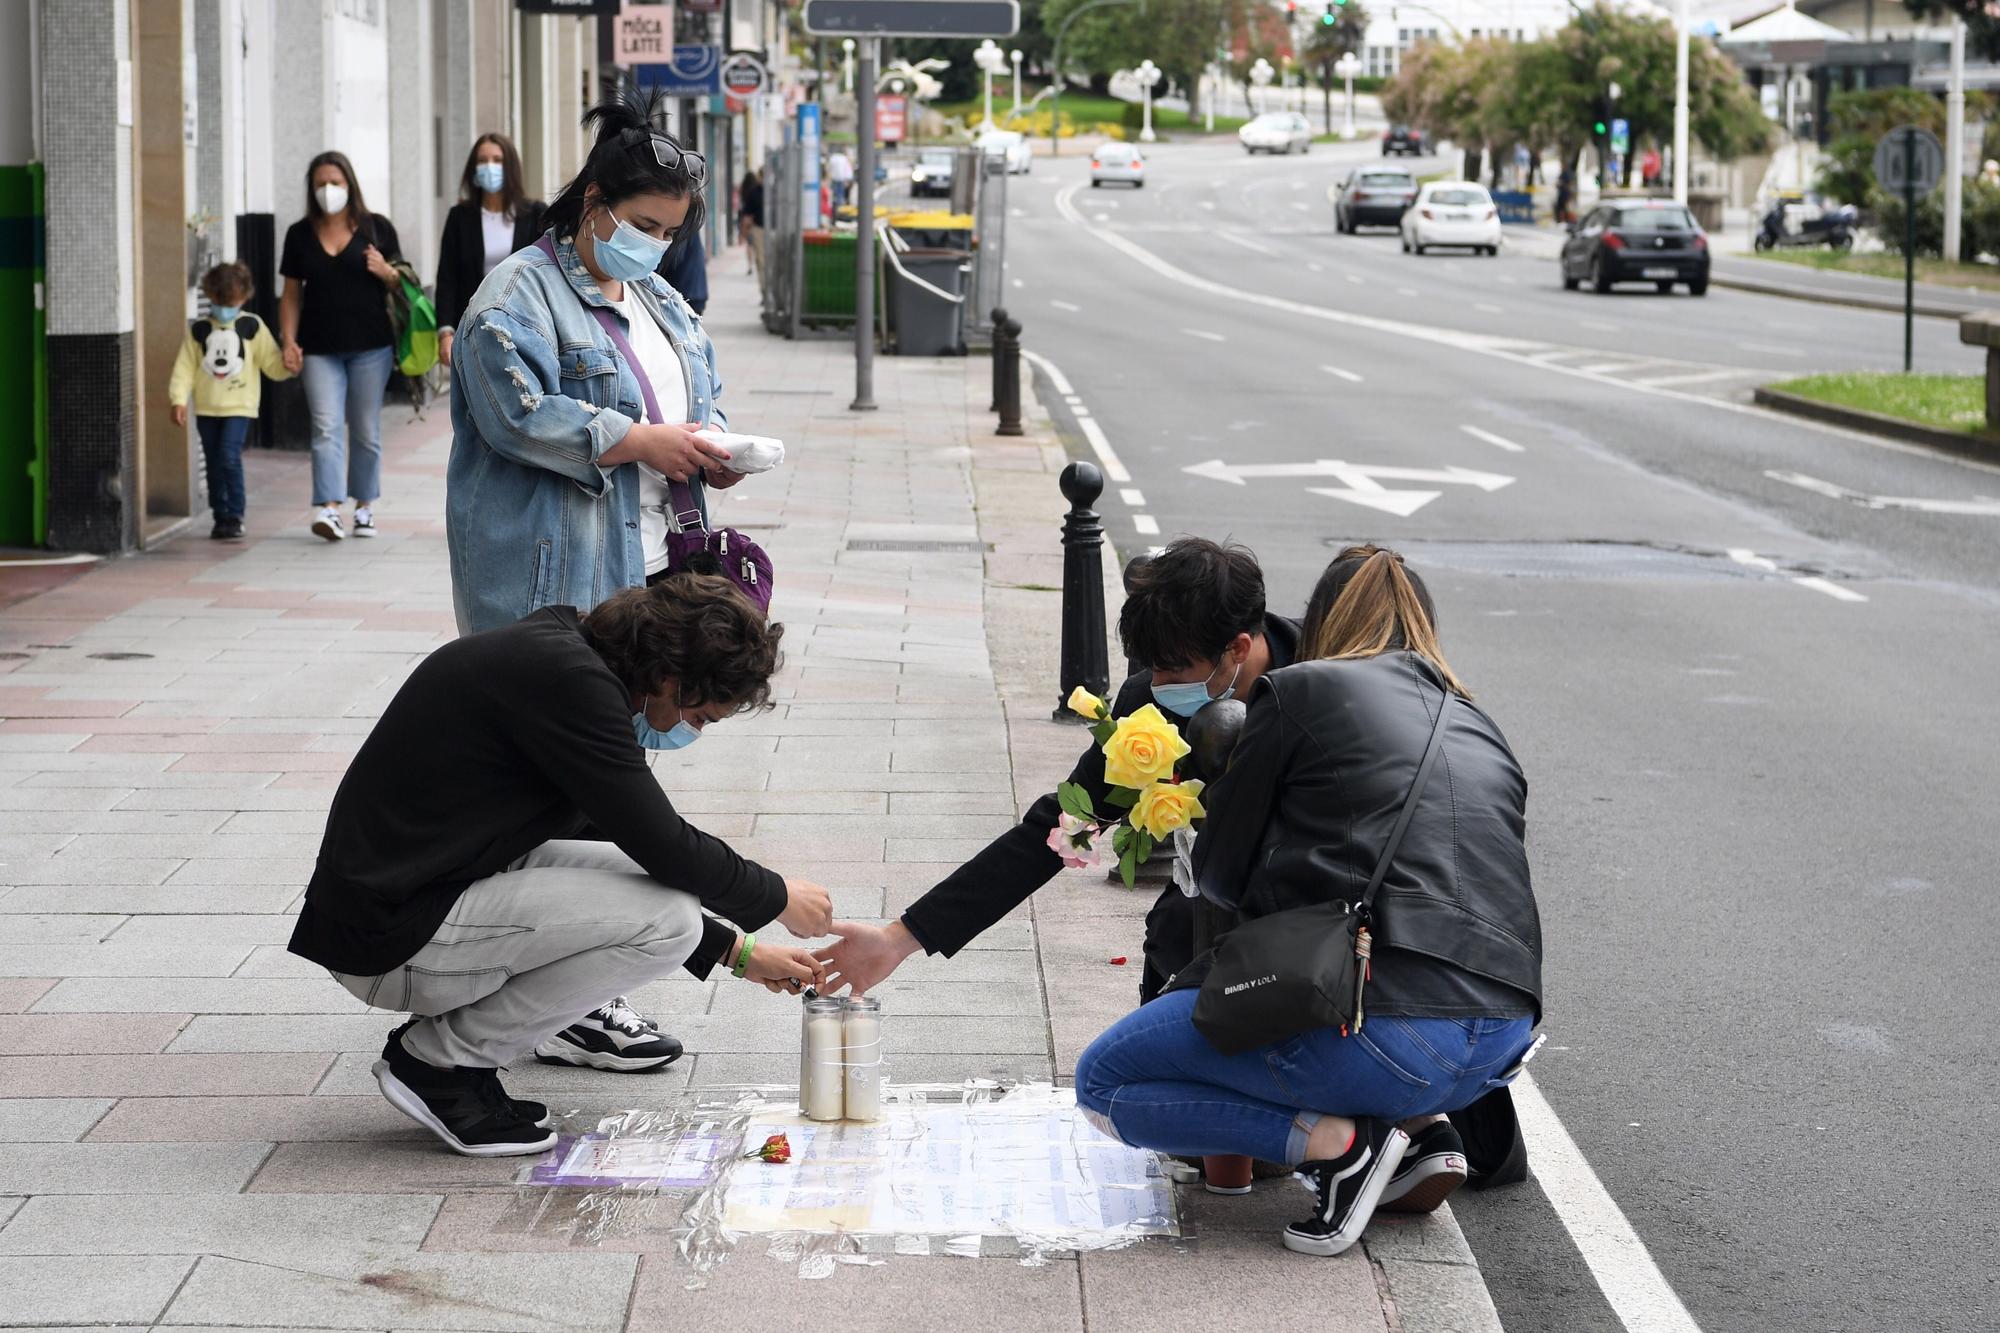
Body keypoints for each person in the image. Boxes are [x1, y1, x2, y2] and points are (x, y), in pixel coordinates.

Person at [1071, 546, 1543, 1258]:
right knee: (1345, 1013)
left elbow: (1225, 882)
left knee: (1106, 1080)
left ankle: (1344, 1146)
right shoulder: (1479, 722)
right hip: (1502, 1038)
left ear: (1321, 620)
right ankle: (1416, 1137)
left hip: (1394, 1024)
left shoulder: (1300, 690)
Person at [287, 576, 836, 1157]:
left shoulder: (562, 655)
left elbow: (617, 838)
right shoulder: (569, 683)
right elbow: (664, 843)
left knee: (646, 888)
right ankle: (439, 1066)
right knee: (667, 918)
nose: (686, 729)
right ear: (670, 678)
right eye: (698, 715)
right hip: (390, 937)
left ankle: (456, 1065)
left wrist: (737, 953)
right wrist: (776, 897)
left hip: (413, 893)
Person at [446, 89, 740, 1068]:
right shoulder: (511, 301)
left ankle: (564, 982)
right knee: (567, 790)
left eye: (670, 232)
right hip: (555, 576)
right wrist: (630, 438)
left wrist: (709, 446)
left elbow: (693, 387)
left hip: (643, 567)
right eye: (644, 226)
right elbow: (513, 413)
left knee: (612, 776)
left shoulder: (652, 295)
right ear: (595, 206)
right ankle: (555, 994)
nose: (655, 246)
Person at [819, 539, 1299, 1005]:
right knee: (1172, 941)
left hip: (1310, 907)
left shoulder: (1325, 680)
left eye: (1172, 672)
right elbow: (1061, 830)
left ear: (1237, 648)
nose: (1157, 686)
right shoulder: (1145, 711)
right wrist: (902, 937)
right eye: (1150, 669)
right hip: (1201, 912)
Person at [279, 152, 403, 544]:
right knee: (325, 426)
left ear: (350, 184)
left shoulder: (376, 229)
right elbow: (290, 294)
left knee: (365, 429)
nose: (327, 190)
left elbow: (404, 282)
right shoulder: (299, 234)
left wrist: (386, 271)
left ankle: (364, 506)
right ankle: (329, 509)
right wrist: (288, 339)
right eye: (320, 183)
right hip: (318, 348)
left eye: (335, 182)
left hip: (371, 347)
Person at [168, 261, 292, 540]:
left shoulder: (253, 326)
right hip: (207, 407)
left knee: (228, 455)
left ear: (244, 298)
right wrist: (179, 399)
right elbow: (184, 367)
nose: (226, 308)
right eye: (220, 301)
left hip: (240, 405)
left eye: (232, 301)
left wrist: (289, 366)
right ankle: (219, 514)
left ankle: (235, 513)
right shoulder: (199, 329)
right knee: (213, 461)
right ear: (210, 297)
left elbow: (270, 362)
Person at [435, 133, 547, 369]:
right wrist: (445, 331)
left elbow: (548, 273)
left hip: (524, 327)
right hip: (472, 326)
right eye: (482, 160)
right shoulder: (460, 217)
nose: (490, 167)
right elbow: (447, 276)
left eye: (497, 160)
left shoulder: (535, 214)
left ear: (510, 166)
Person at [659, 227, 708, 316]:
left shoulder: (678, 224)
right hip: (693, 290)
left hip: (683, 293)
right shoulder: (687, 220)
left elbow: (674, 257)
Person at [738, 169, 764, 279]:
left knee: (750, 246)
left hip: (753, 224)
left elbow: (745, 211)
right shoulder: (755, 191)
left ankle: (750, 265)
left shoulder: (747, 190)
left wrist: (742, 232)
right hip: (756, 226)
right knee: (760, 256)